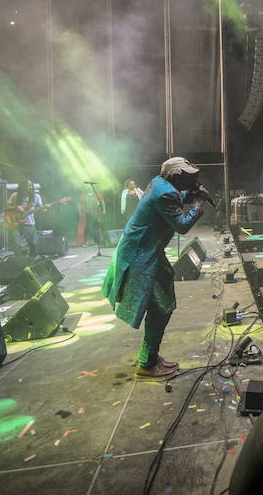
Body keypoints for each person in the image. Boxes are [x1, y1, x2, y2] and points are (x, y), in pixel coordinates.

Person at [102, 157, 209, 378]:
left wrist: (192, 193)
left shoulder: (160, 182)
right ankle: (146, 363)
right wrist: (198, 204)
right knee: (161, 306)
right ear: (178, 176)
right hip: (140, 254)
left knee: (162, 303)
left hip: (146, 250)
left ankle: (150, 357)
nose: (194, 179)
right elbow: (182, 225)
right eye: (190, 176)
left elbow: (178, 197)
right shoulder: (166, 193)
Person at [6, 179, 43, 256]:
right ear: (22, 187)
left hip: (29, 222)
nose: (29, 187)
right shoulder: (15, 195)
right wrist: (16, 207)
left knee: (34, 244)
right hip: (16, 222)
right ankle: (19, 261)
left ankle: (31, 260)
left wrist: (46, 209)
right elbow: (7, 206)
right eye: (27, 185)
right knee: (16, 244)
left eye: (30, 185)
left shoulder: (36, 197)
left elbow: (41, 209)